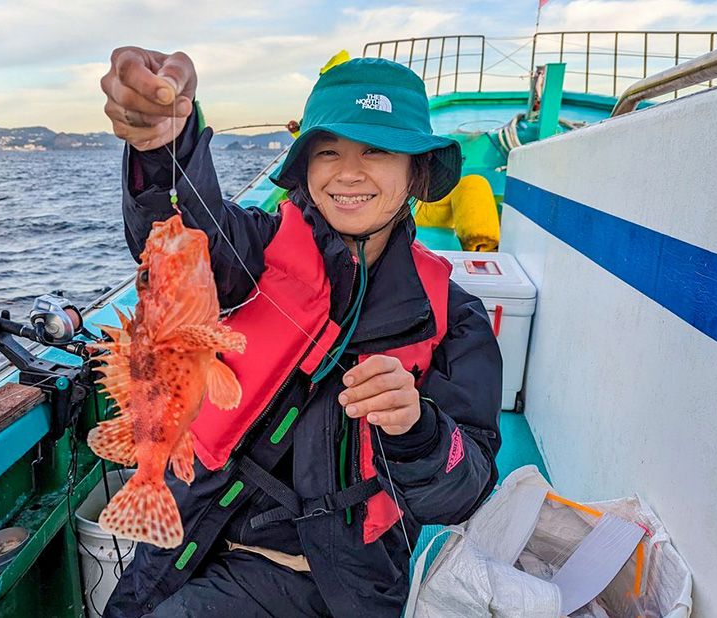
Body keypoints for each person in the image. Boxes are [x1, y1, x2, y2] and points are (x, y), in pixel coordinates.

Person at [99, 46, 503, 618]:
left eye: (378, 151)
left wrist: (418, 427)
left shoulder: (454, 319)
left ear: (417, 171)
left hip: (327, 584)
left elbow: (467, 487)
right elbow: (182, 235)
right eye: (329, 151)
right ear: (305, 170)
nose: (349, 172)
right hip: (183, 537)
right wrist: (163, 143)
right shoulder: (256, 251)